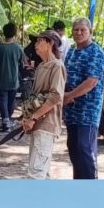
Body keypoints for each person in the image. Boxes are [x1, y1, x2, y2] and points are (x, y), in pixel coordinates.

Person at [63, 18, 104, 179]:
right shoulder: (72, 51)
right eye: (76, 30)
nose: (79, 33)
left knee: (84, 147)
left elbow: (91, 81)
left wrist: (70, 96)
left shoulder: (96, 51)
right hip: (71, 110)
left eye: (83, 30)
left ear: (90, 32)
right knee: (73, 147)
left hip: (87, 110)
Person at [21, 30, 66, 179]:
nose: (36, 44)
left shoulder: (57, 66)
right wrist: (28, 117)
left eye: (39, 40)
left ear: (50, 43)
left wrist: (33, 117)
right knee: (40, 171)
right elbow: (35, 96)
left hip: (46, 123)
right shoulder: (41, 66)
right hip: (37, 122)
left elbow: (55, 97)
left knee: (36, 172)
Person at [0, 22, 24, 131]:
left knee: (2, 100)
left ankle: (5, 120)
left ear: (4, 34)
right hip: (14, 80)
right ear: (15, 34)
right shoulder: (18, 48)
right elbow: (22, 61)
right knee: (11, 100)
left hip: (1, 79)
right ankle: (8, 119)